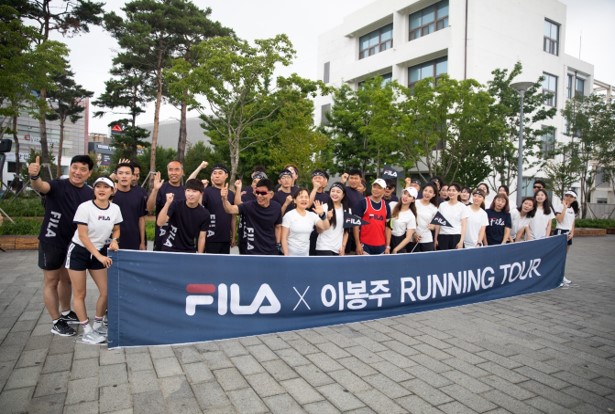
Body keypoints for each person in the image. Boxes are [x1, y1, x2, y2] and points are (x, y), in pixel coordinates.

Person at [28, 154, 94, 337]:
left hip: (73, 243)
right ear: (70, 168)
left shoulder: (89, 193)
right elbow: (40, 186)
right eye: (75, 167)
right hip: (51, 241)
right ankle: (56, 321)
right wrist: (34, 176)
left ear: (89, 173)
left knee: (67, 279)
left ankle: (65, 312)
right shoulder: (57, 185)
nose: (77, 172)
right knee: (51, 281)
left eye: (83, 169)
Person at [65, 176, 122, 344]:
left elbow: (117, 229)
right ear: (94, 189)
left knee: (106, 291)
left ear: (112, 191)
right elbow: (82, 235)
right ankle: (87, 331)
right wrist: (99, 256)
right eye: (98, 186)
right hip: (79, 251)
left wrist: (114, 240)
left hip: (99, 251)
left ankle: (97, 324)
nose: (101, 189)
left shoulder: (115, 209)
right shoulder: (85, 207)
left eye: (106, 187)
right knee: (80, 293)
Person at [222, 178, 282, 255]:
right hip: (252, 251)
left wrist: (278, 244)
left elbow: (278, 227)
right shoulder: (249, 206)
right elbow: (230, 210)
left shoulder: (277, 207)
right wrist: (224, 199)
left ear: (271, 194)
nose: (259, 195)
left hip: (271, 251)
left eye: (263, 193)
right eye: (257, 192)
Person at [157, 179, 210, 253]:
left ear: (201, 193)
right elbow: (160, 223)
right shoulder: (176, 205)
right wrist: (167, 203)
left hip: (189, 250)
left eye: (194, 191)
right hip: (169, 247)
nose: (190, 194)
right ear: (184, 192)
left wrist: (200, 255)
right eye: (188, 190)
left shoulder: (205, 214)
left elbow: (202, 237)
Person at [147, 160, 185, 251]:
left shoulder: (186, 191)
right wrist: (155, 190)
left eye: (177, 169)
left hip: (181, 239)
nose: (173, 173)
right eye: (170, 170)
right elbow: (149, 208)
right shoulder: (161, 188)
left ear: (182, 172)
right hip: (162, 238)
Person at [281, 188, 330, 256]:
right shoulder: (289, 215)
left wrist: (322, 214)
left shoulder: (312, 215)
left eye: (306, 197)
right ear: (295, 200)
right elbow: (284, 238)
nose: (304, 199)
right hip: (290, 255)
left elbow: (325, 227)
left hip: (305, 255)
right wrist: (286, 256)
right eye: (301, 197)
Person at [112, 162, 147, 250]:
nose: (124, 176)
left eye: (127, 173)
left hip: (134, 240)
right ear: (116, 176)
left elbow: (141, 219)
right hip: (113, 241)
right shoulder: (110, 194)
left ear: (132, 176)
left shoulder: (138, 195)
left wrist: (142, 242)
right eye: (120, 173)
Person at [201, 164, 236, 254]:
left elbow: (233, 217)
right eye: (214, 173)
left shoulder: (231, 194)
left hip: (225, 238)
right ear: (211, 176)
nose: (217, 176)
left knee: (224, 262)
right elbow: (199, 210)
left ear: (226, 175)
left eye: (220, 173)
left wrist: (233, 236)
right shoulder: (206, 192)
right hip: (210, 237)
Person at [353, 178, 392, 255]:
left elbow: (388, 227)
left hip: (381, 246)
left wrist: (387, 246)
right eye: (374, 187)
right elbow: (356, 225)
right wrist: (357, 244)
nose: (376, 190)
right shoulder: (363, 203)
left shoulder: (386, 206)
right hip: (365, 245)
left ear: (384, 190)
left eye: (379, 188)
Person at [315, 182, 350, 256]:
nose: (335, 194)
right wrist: (326, 218)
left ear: (343, 195)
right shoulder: (323, 208)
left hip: (338, 249)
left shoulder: (347, 210)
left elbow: (346, 231)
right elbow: (319, 230)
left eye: (338, 192)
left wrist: (343, 246)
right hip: (323, 247)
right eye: (333, 191)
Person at [554, 190, 578, 285]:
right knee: (558, 256)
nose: (568, 197)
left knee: (563, 257)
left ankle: (561, 276)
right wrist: (564, 207)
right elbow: (559, 220)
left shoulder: (573, 209)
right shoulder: (559, 206)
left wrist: (572, 232)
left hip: (568, 234)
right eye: (567, 195)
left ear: (574, 199)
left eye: (571, 196)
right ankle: (556, 277)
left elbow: (572, 222)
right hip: (560, 232)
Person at [435, 183, 469, 250]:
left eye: (454, 190)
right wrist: (436, 238)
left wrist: (461, 241)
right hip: (443, 236)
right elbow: (438, 223)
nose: (451, 192)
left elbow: (464, 226)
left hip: (456, 236)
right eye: (449, 190)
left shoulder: (462, 207)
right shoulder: (442, 205)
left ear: (459, 193)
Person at [308, 169, 331, 255]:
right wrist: (315, 188)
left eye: (320, 178)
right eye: (315, 178)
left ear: (325, 181)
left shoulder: (328, 197)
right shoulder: (307, 193)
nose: (317, 180)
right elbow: (308, 205)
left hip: (323, 230)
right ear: (312, 180)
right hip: (309, 230)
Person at [389, 187, 417, 253]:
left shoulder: (411, 216)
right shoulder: (392, 205)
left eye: (409, 196)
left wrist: (395, 249)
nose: (405, 197)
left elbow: (408, 238)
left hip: (398, 242)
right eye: (405, 193)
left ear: (413, 200)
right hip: (387, 239)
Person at [414, 182, 439, 252]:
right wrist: (414, 234)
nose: (427, 193)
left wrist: (433, 226)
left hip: (427, 239)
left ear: (434, 195)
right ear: (422, 191)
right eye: (425, 190)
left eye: (430, 192)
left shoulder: (434, 208)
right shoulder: (414, 203)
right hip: (413, 238)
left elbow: (435, 224)